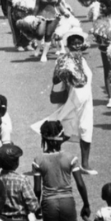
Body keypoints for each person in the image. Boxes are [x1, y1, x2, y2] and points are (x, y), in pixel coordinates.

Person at [34, 30, 97, 173]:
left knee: (86, 129)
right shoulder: (63, 60)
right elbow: (56, 80)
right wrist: (58, 75)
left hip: (86, 102)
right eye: (73, 44)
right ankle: (48, 158)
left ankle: (85, 165)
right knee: (63, 132)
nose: (77, 46)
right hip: (71, 101)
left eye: (79, 43)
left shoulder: (83, 60)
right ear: (67, 45)